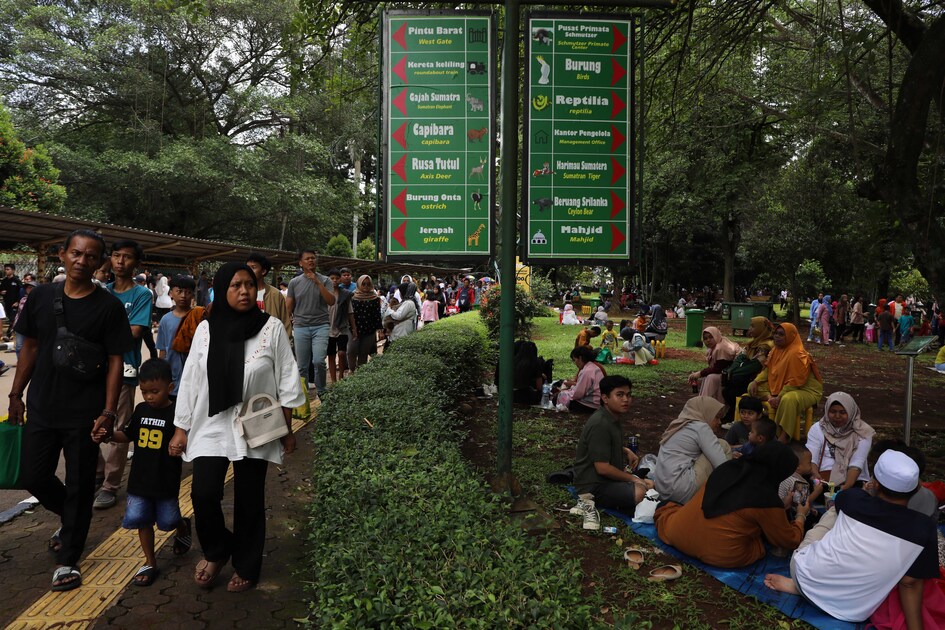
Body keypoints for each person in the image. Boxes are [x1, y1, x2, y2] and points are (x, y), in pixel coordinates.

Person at [7, 229, 133, 592]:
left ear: (100, 263)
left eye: (91, 257)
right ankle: (72, 517)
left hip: (84, 411)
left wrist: (108, 412)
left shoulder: (107, 307)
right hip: (43, 404)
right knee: (33, 475)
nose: (82, 261)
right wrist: (16, 394)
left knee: (80, 482)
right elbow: (29, 347)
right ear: (63, 255)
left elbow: (114, 361)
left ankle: (68, 561)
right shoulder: (41, 296)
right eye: (76, 254)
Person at [169, 262, 305, 593]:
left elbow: (287, 378)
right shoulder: (205, 329)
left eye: (248, 285)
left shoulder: (270, 328)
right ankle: (218, 548)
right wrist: (181, 427)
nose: (244, 291)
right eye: (235, 285)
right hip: (211, 424)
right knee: (203, 493)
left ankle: (247, 564)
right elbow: (190, 381)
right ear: (221, 289)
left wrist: (287, 429)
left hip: (256, 427)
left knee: (249, 499)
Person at [764, 450, 938, 625]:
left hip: (803, 576)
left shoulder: (852, 498)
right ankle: (819, 587)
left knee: (835, 511)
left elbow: (862, 504)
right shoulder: (924, 528)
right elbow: (910, 583)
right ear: (917, 488)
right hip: (852, 610)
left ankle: (806, 587)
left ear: (875, 484)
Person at [655, 442, 807, 568]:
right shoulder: (766, 498)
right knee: (759, 542)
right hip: (721, 555)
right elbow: (788, 540)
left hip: (676, 533)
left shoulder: (727, 469)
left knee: (669, 506)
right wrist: (800, 515)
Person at [110, 359, 191, 587]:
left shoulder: (178, 414)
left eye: (154, 392)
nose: (149, 397)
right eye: (144, 392)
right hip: (139, 481)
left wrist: (181, 445)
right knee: (139, 518)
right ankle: (150, 561)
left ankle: (182, 525)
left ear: (170, 388)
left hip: (165, 480)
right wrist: (108, 435)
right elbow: (127, 436)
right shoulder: (140, 410)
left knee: (167, 521)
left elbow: (186, 441)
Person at [93, 240, 155, 510]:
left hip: (124, 371)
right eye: (116, 256)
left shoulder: (142, 295)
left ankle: (110, 485)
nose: (120, 261)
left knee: (119, 428)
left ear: (136, 263)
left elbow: (134, 332)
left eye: (127, 257)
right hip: (94, 370)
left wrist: (98, 336)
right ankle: (97, 473)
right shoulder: (101, 291)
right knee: (88, 421)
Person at [570, 375, 653, 530]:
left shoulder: (611, 417)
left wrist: (625, 450)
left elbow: (602, 444)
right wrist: (633, 479)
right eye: (619, 395)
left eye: (628, 395)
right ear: (605, 398)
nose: (626, 399)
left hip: (604, 480)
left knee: (649, 484)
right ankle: (587, 502)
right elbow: (602, 468)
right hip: (592, 484)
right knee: (640, 491)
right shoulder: (601, 423)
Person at [748, 323, 823, 442]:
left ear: (791, 336)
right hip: (782, 385)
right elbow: (768, 371)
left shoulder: (798, 354)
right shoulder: (775, 350)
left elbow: (796, 381)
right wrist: (756, 382)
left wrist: (780, 396)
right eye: (776, 333)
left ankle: (784, 436)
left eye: (781, 334)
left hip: (805, 389)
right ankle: (770, 398)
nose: (777, 337)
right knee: (751, 387)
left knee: (788, 399)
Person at [653, 397, 732, 504]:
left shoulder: (680, 424)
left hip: (662, 491)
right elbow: (722, 464)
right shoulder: (701, 427)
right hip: (681, 491)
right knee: (722, 445)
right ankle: (725, 494)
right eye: (716, 417)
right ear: (706, 413)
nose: (719, 422)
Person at [285, 250, 335, 397]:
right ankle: (303, 396)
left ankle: (321, 392)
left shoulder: (325, 280)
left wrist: (317, 282)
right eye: (307, 259)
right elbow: (289, 306)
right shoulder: (294, 283)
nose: (311, 261)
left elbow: (331, 301)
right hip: (301, 327)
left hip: (321, 326)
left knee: (319, 361)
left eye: (313, 258)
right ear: (301, 263)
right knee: (301, 366)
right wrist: (285, 324)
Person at [806, 392, 874, 490]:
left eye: (843, 412)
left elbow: (857, 462)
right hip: (823, 480)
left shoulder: (863, 432)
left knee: (852, 496)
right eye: (833, 411)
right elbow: (812, 458)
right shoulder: (818, 428)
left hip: (853, 480)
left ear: (851, 412)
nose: (837, 416)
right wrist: (816, 475)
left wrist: (847, 486)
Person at [722, 317, 774, 417]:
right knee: (727, 389)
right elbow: (740, 357)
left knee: (734, 385)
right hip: (747, 377)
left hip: (760, 380)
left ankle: (735, 416)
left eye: (753, 326)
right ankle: (734, 414)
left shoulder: (767, 345)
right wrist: (733, 370)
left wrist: (735, 371)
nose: (749, 328)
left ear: (761, 328)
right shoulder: (753, 343)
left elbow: (755, 365)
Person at [156, 275, 197, 395]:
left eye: (188, 292)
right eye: (179, 291)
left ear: (193, 295)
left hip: (193, 376)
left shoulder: (198, 317)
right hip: (171, 375)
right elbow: (163, 351)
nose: (183, 296)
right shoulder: (165, 320)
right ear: (171, 293)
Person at [689, 326, 741, 403]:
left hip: (736, 375)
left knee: (711, 378)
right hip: (728, 372)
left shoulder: (721, 347)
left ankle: (707, 404)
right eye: (705, 338)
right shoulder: (715, 346)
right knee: (708, 377)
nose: (708, 340)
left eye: (711, 337)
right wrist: (701, 374)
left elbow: (718, 369)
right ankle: (706, 404)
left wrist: (700, 373)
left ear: (716, 336)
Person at [246, 252, 292, 337]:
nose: (249, 271)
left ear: (263, 271)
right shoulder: (241, 293)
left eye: (253, 267)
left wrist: (288, 342)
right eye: (247, 267)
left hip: (270, 340)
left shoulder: (275, 294)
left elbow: (285, 321)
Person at [555, 345, 606, 414]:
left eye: (575, 360)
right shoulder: (593, 367)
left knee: (555, 398)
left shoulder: (586, 371)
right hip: (598, 402)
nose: (575, 363)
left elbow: (578, 394)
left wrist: (565, 392)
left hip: (591, 405)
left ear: (580, 358)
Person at [347, 275, 383, 373]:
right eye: (363, 284)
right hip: (353, 329)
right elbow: (349, 313)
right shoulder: (352, 297)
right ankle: (352, 369)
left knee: (364, 352)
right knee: (351, 350)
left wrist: (379, 329)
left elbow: (377, 314)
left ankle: (360, 373)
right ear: (359, 284)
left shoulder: (375, 298)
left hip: (369, 330)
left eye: (368, 284)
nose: (366, 286)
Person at [326, 268, 355, 383]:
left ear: (340, 280)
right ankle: (333, 380)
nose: (334, 280)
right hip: (328, 329)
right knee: (331, 355)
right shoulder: (324, 293)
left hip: (342, 328)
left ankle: (341, 374)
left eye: (337, 278)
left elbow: (350, 312)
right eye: (332, 278)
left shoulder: (345, 295)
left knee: (342, 353)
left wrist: (354, 328)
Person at [1, 263, 23, 338]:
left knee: (12, 318)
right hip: (6, 303)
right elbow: (1, 290)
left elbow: (21, 292)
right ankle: (14, 332)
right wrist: (1, 292)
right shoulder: (4, 281)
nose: (6, 271)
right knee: (9, 317)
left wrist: (18, 301)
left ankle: (8, 334)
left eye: (8, 269)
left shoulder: (17, 281)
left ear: (13, 270)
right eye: (5, 269)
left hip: (15, 303)